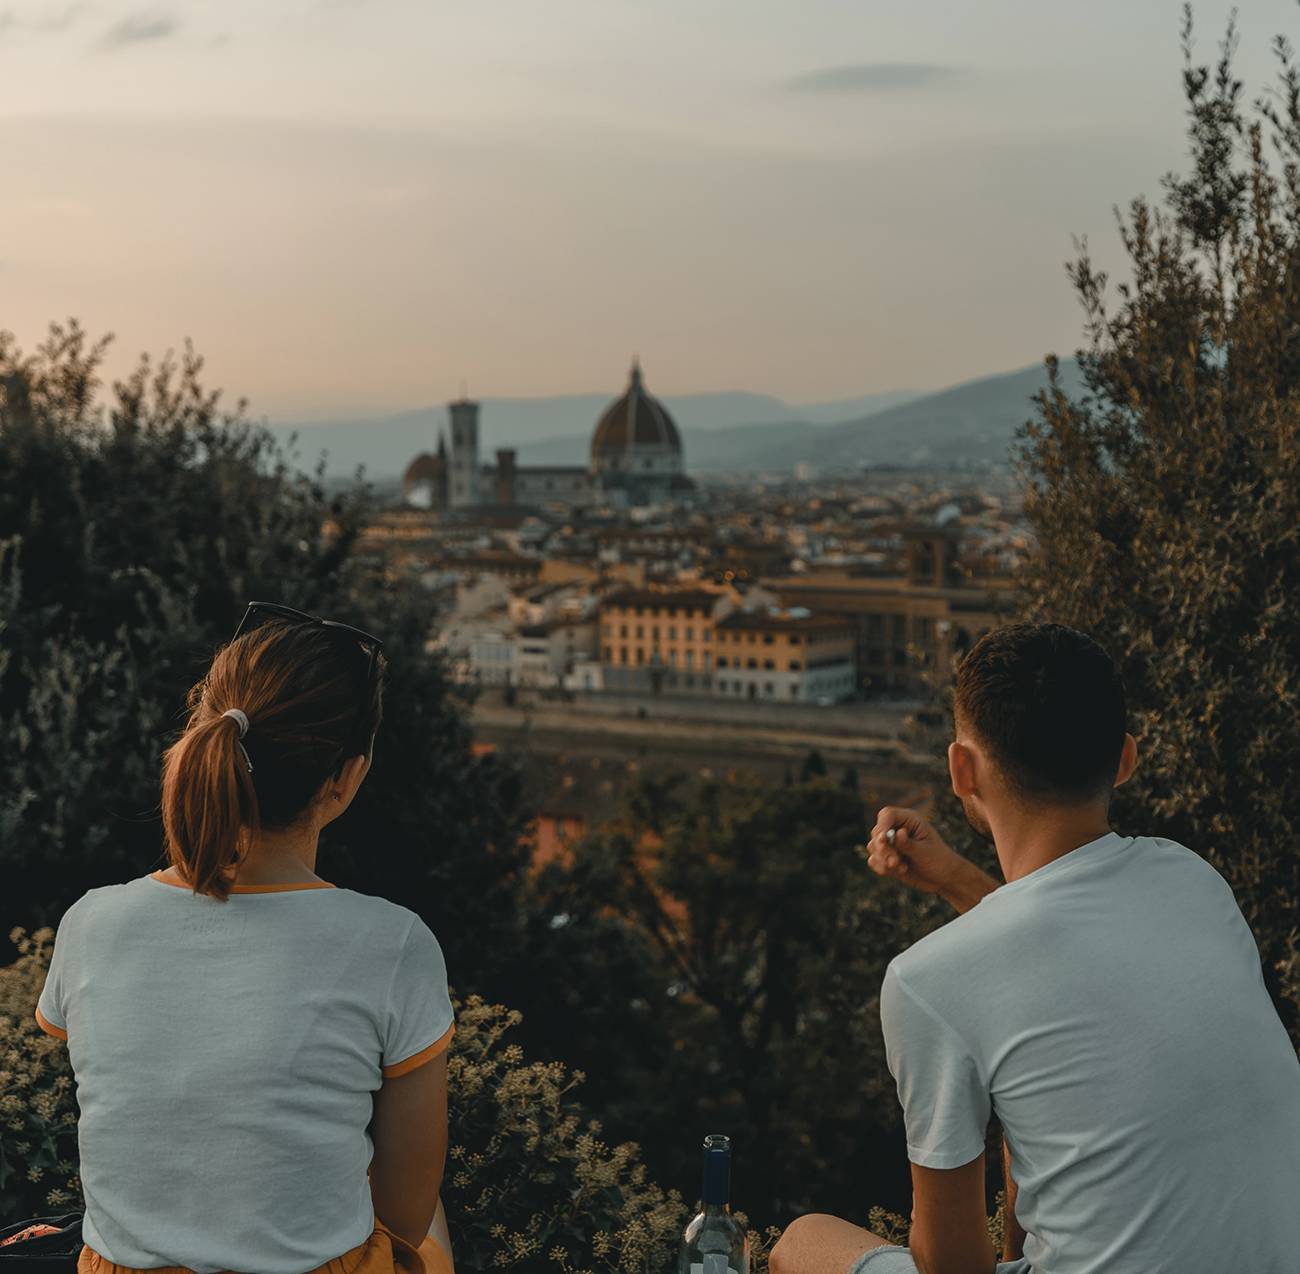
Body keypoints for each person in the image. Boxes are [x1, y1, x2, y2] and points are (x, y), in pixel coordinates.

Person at [770, 622, 1300, 1274]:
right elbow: (1058, 974)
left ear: (961, 769)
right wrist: (956, 879)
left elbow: (950, 1267)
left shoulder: (924, 980)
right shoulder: (1193, 880)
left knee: (803, 1241)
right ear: (1125, 759)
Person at [33, 602, 456, 1274]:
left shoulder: (91, 922)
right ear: (346, 777)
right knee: (430, 1230)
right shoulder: (394, 944)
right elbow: (402, 1214)